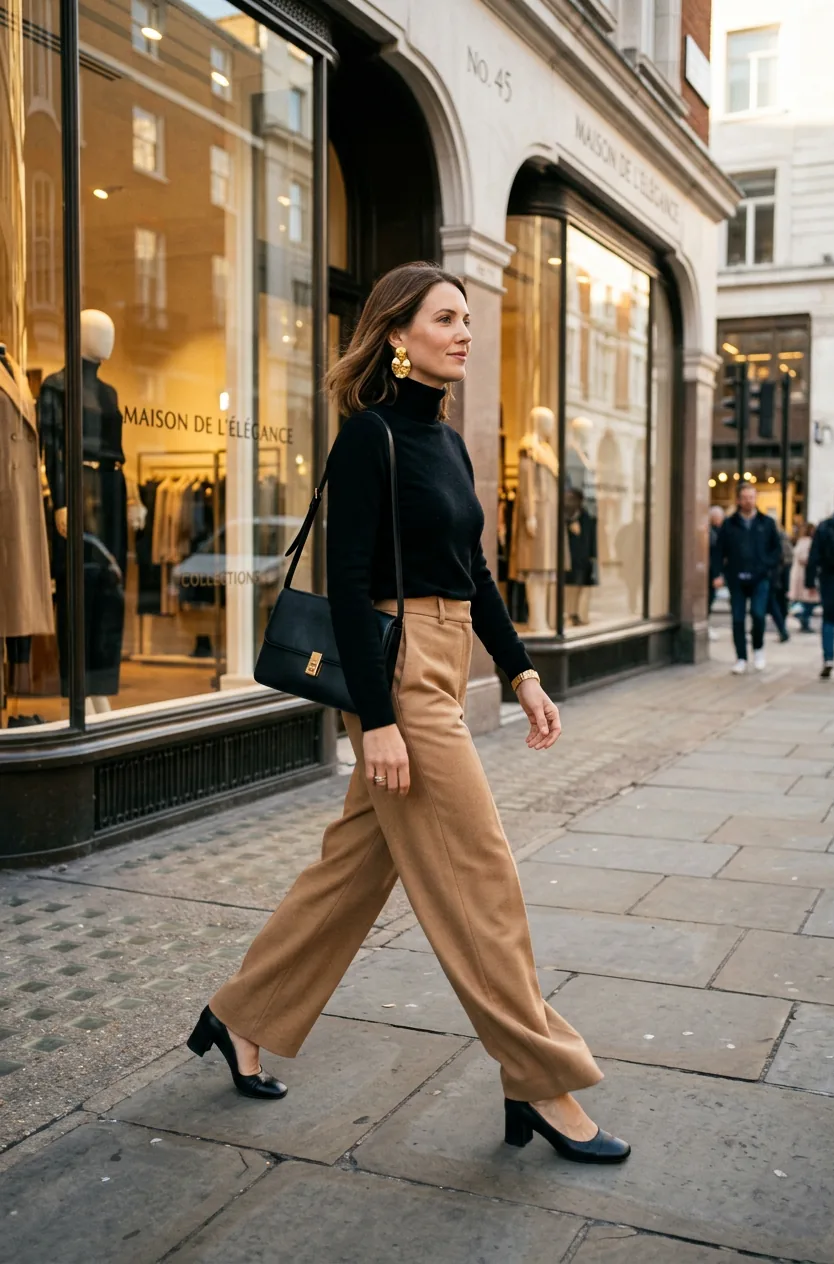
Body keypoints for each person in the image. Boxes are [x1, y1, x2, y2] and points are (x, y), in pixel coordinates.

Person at [186, 262, 630, 1165]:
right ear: (398, 334)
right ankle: (540, 1079)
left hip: (446, 654)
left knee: (352, 872)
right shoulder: (369, 439)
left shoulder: (452, 445)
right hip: (397, 676)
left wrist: (522, 673)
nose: (465, 331)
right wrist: (376, 720)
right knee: (482, 877)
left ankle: (238, 1016)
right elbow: (347, 588)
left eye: (467, 318)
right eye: (446, 318)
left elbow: (474, 579)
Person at [717, 483, 782, 674]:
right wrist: (719, 573)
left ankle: (758, 649)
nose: (748, 501)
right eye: (744, 497)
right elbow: (719, 551)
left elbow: (776, 549)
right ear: (738, 500)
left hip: (760, 577)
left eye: (751, 497)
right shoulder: (729, 524)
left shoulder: (766, 523)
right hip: (736, 578)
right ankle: (741, 657)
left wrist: (767, 566)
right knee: (737, 618)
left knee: (758, 614)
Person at [805, 489, 834, 680]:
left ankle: (828, 658)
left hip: (829, 578)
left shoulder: (825, 526)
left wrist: (810, 580)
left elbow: (814, 556)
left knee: (829, 620)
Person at [789, 523, 819, 632]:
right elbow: (804, 558)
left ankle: (802, 619)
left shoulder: (801, 541)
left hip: (800, 575)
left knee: (805, 600)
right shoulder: (808, 542)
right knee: (809, 601)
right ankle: (803, 619)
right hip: (804, 575)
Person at [767, 521, 793, 643]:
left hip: (775, 576)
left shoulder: (776, 539)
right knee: (778, 603)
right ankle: (782, 629)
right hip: (781, 576)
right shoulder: (784, 538)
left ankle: (782, 630)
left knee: (772, 603)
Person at [707, 505, 725, 641]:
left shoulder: (717, 532)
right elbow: (714, 556)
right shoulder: (712, 533)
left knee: (710, 599)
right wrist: (716, 575)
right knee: (708, 599)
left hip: (712, 572)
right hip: (710, 572)